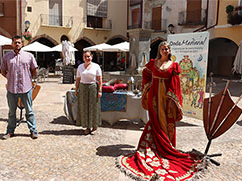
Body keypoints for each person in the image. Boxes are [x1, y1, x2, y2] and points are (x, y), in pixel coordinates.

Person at [117, 41, 204, 180]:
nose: (165, 50)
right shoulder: (153, 63)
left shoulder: (174, 65)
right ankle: (156, 146)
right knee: (154, 120)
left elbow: (175, 84)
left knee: (167, 120)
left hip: (166, 98)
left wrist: (171, 98)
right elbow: (145, 74)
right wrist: (148, 87)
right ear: (159, 50)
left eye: (167, 48)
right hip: (154, 97)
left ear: (170, 51)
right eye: (163, 48)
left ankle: (167, 147)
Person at [0, 35, 38, 140]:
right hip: (11, 88)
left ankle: (33, 130)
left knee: (29, 110)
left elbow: (34, 69)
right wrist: (9, 77)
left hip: (26, 88)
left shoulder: (29, 56)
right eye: (15, 42)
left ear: (22, 44)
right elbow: (3, 70)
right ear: (12, 44)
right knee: (12, 112)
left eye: (19, 42)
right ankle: (10, 131)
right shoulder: (6, 57)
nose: (17, 44)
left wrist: (28, 78)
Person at [75, 51, 102, 135]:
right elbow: (78, 79)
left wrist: (100, 90)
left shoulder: (96, 66)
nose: (87, 58)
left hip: (93, 87)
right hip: (83, 88)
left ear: (92, 57)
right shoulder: (80, 67)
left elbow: (100, 79)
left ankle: (94, 125)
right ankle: (87, 127)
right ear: (83, 58)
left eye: (88, 56)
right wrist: (76, 89)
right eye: (85, 57)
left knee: (93, 107)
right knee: (84, 108)